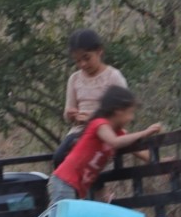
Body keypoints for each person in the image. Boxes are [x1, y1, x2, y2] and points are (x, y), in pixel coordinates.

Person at [49, 86, 162, 206]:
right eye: (130, 113)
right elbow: (115, 142)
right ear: (118, 110)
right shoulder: (99, 124)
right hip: (64, 182)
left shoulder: (119, 133)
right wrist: (145, 132)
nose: (132, 118)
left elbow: (138, 151)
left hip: (76, 187)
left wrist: (160, 161)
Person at [52, 29, 129, 169]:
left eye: (86, 58)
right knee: (60, 158)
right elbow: (68, 113)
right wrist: (71, 114)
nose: (82, 64)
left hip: (104, 133)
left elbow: (124, 113)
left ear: (99, 51)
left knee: (86, 158)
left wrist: (93, 119)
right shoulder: (74, 79)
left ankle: (98, 191)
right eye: (77, 61)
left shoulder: (113, 76)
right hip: (79, 132)